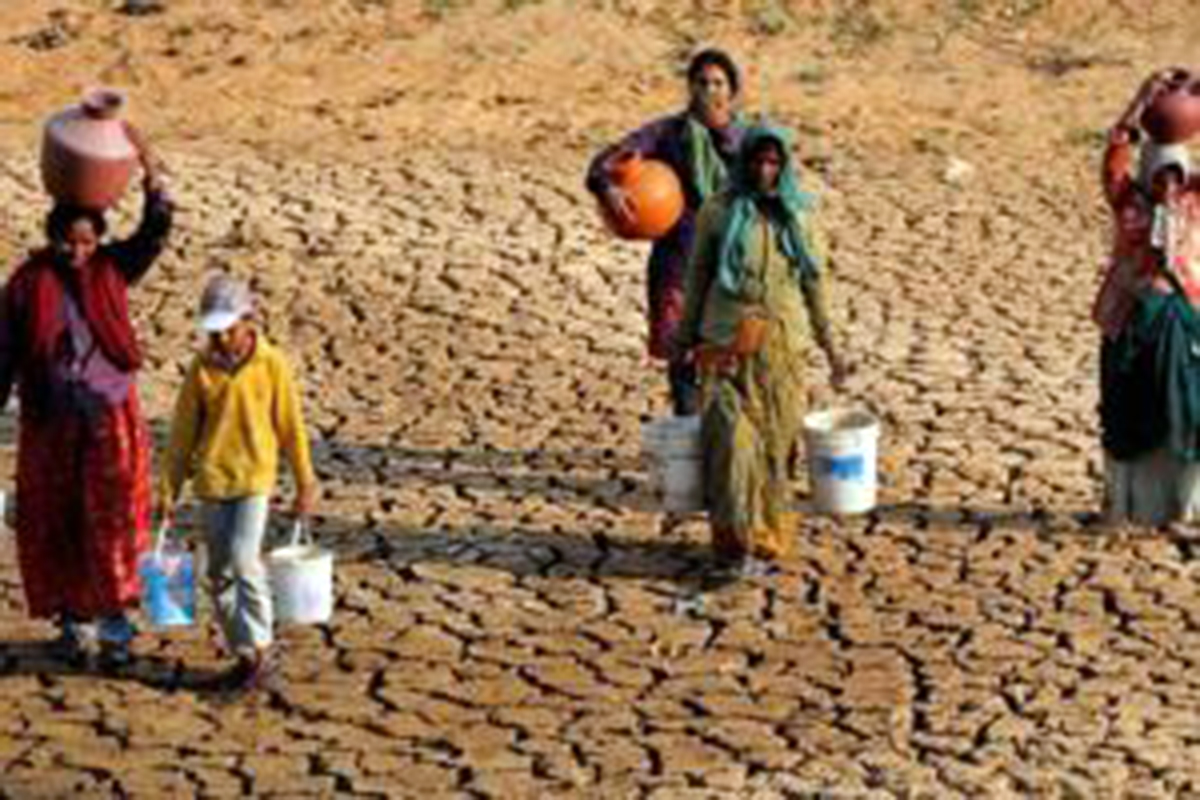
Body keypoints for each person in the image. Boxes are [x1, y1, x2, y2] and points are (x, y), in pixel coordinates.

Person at [0, 127, 171, 668]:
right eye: (68, 243)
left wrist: (151, 170)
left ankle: (117, 631)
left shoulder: (113, 270)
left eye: (87, 243)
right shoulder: (28, 284)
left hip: (110, 419)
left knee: (115, 521)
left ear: (99, 242)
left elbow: (155, 231)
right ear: (52, 239)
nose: (77, 253)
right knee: (56, 519)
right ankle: (73, 627)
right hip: (51, 423)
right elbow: (2, 352)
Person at [676, 125, 847, 563]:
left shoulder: (798, 216)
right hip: (724, 344)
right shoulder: (719, 211)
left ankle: (767, 533)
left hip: (781, 349)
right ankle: (733, 541)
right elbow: (696, 279)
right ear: (744, 161)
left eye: (773, 163)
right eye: (757, 160)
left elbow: (814, 284)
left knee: (774, 447)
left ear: (784, 166)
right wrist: (683, 339)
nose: (764, 170)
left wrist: (831, 347)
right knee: (731, 441)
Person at [158, 275, 318, 692]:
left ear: (249, 319)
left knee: (245, 559)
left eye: (230, 328)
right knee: (219, 573)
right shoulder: (201, 369)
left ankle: (264, 650)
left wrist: (305, 481)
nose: (223, 337)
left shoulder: (271, 364)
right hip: (213, 482)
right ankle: (244, 653)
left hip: (253, 481)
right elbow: (181, 436)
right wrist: (167, 490)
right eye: (216, 330)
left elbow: (290, 427)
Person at [587, 48, 747, 415]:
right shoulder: (667, 133)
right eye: (702, 82)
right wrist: (608, 186)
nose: (710, 90)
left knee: (733, 364)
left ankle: (727, 449)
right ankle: (691, 447)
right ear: (690, 87)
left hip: (734, 271)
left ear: (732, 90)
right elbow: (606, 160)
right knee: (683, 364)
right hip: (678, 267)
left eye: (719, 83)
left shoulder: (748, 141)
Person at [1094, 69, 1200, 525]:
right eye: (1159, 174)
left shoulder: (1196, 202)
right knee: (1128, 407)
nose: (1166, 185)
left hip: (1181, 319)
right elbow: (1115, 155)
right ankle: (1129, 509)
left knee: (1188, 412)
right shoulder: (1127, 200)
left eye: (1174, 175)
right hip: (1131, 319)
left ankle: (1186, 506)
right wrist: (1140, 103)